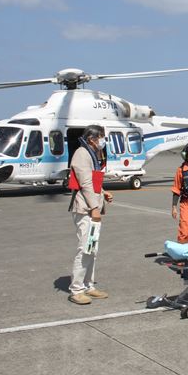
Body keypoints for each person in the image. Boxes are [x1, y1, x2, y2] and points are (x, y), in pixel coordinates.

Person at [67, 125, 113, 305]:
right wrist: (94, 207)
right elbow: (85, 182)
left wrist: (103, 192)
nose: (103, 140)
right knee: (85, 248)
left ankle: (88, 285)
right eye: (101, 137)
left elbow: (92, 181)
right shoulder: (82, 154)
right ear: (92, 139)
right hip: (85, 209)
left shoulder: (90, 154)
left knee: (92, 248)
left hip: (91, 207)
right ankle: (77, 289)